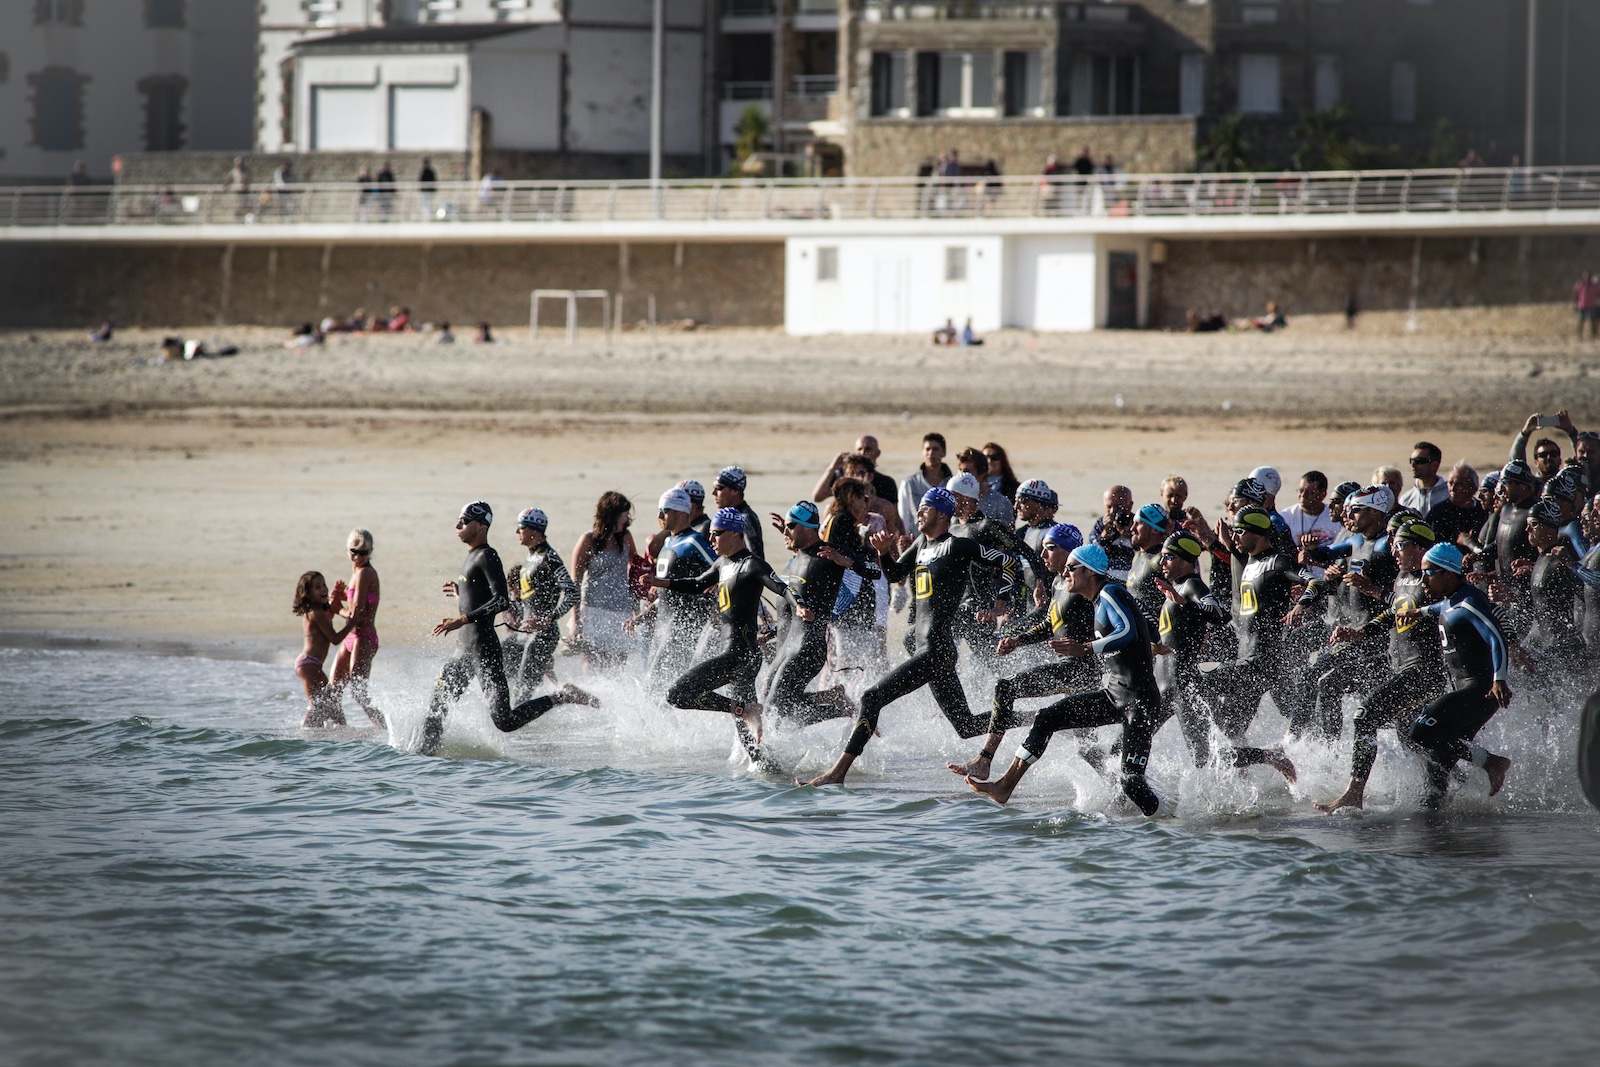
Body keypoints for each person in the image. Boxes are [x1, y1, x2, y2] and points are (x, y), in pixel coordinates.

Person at [800, 488, 1014, 787]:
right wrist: (883, 552)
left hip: (937, 649)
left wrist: (1000, 602)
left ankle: (837, 773)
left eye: (925, 508)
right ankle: (1037, 717)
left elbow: (1008, 562)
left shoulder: (959, 546)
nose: (918, 513)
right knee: (966, 725)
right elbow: (896, 573)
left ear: (942, 514)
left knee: (870, 697)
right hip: (929, 649)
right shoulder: (921, 544)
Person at [965, 544, 1166, 816]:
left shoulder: (1110, 592)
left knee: (1131, 782)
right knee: (1047, 717)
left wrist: (1084, 648)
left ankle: (1168, 822)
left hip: (1140, 702)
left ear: (1090, 571)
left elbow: (1127, 631)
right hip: (1113, 694)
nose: (1066, 572)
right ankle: (1004, 786)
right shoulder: (1098, 599)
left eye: (1072, 568)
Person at [421, 502, 597, 755]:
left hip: (485, 649)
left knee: (506, 719)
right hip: (465, 648)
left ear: (481, 526)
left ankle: (561, 698)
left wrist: (462, 619)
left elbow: (501, 600)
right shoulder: (480, 556)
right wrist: (464, 594)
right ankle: (423, 764)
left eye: (464, 521)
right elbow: (499, 599)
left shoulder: (488, 555)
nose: (457, 525)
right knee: (438, 705)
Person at [1315, 519, 1449, 813]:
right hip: (1402, 667)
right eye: (1393, 544)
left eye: (1400, 545)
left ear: (1419, 547)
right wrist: (1359, 633)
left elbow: (1458, 610)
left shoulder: (1434, 579)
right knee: (1413, 737)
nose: (1394, 550)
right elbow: (1393, 611)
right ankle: (1458, 782)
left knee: (1364, 717)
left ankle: (1354, 793)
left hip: (1424, 671)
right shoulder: (1402, 577)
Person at [946, 523, 1095, 782]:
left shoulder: (1088, 584)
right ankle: (1119, 787)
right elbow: (1050, 624)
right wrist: (1017, 640)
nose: (1043, 555)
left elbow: (1121, 603)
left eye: (1050, 548)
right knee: (1086, 746)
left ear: (1071, 551)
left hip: (1081, 672)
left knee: (1006, 687)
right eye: (1043, 548)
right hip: (1070, 671)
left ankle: (983, 760)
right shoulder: (1060, 582)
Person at [647, 507, 786, 761]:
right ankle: (771, 775)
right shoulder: (723, 563)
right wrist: (661, 582)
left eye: (716, 534)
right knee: (751, 747)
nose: (710, 540)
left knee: (676, 695)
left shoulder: (752, 564)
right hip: (738, 656)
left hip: (739, 657)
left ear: (734, 533)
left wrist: (798, 605)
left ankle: (746, 710)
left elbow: (780, 587)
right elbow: (698, 583)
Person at [1394, 544, 1514, 808]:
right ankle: (1443, 838)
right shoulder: (1452, 598)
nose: (1422, 578)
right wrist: (1418, 611)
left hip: (1479, 691)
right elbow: (1441, 608)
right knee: (1434, 784)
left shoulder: (1469, 602)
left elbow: (1496, 639)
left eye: (1428, 572)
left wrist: (1499, 680)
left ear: (1448, 574)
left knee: (1420, 731)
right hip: (1468, 691)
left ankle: (1492, 763)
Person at [1190, 506, 1299, 783]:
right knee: (1229, 735)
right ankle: (1267, 760)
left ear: (1258, 532)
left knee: (1193, 685)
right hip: (1246, 661)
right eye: (1234, 530)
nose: (1235, 535)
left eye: (1240, 530)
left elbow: (1311, 583)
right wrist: (1214, 541)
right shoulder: (1248, 562)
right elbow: (1233, 556)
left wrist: (1303, 603)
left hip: (1260, 663)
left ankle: (1260, 762)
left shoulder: (1277, 562)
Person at [762, 500, 860, 726]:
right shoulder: (795, 563)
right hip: (785, 645)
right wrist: (773, 630)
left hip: (807, 646)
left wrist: (828, 616)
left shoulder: (827, 555)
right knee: (777, 704)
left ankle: (842, 709)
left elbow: (865, 575)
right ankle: (831, 698)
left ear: (806, 528)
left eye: (790, 526)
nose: (784, 531)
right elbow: (793, 608)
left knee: (775, 710)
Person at [634, 487, 717, 684]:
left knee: (656, 684)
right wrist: (643, 616)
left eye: (664, 510)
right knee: (653, 683)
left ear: (680, 512)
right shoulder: (668, 542)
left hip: (685, 626)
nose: (659, 515)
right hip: (663, 624)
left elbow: (723, 569)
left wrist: (720, 600)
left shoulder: (694, 541)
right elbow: (667, 591)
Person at [502, 508, 580, 703]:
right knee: (495, 666)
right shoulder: (531, 556)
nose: (516, 532)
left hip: (542, 636)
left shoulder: (549, 558)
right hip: (522, 633)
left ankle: (568, 695)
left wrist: (549, 618)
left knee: (521, 696)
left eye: (520, 527)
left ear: (535, 531)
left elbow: (572, 593)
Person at [571, 491, 638, 671]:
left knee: (618, 668)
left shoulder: (626, 537)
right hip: (593, 611)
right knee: (592, 666)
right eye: (625, 514)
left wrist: (638, 606)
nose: (627, 518)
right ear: (612, 514)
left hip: (621, 611)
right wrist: (575, 619)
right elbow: (575, 582)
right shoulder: (588, 540)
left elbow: (636, 569)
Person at [329, 528, 385, 728]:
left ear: (371, 552)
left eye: (364, 552)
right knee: (333, 690)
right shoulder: (356, 573)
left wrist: (335, 608)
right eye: (354, 551)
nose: (358, 556)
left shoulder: (365, 573)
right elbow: (356, 602)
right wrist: (340, 597)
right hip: (351, 638)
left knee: (358, 692)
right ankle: (339, 733)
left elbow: (356, 615)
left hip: (365, 637)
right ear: (348, 550)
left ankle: (386, 729)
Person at [292, 571, 353, 728]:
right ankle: (305, 733)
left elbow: (331, 611)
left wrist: (337, 595)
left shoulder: (320, 611)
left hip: (310, 664)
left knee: (331, 703)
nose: (323, 589)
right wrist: (353, 623)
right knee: (319, 705)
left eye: (324, 585)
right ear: (307, 594)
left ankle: (337, 732)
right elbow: (334, 639)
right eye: (317, 587)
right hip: (309, 664)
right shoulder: (316, 613)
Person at [812, 434, 899, 510]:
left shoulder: (886, 482)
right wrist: (832, 468)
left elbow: (895, 518)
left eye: (868, 449)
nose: (863, 452)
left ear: (878, 453)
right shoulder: (844, 479)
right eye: (859, 449)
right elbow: (817, 497)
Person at [898, 432, 952, 536]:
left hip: (945, 540)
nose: (931, 453)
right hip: (917, 541)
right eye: (927, 449)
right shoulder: (909, 484)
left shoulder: (951, 484)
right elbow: (904, 518)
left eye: (935, 449)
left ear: (943, 453)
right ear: (922, 452)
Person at [1429, 462, 1488, 547]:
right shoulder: (1438, 512)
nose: (1452, 488)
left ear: (1473, 487)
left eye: (1458, 484)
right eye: (1450, 483)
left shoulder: (1482, 511)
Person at [712, 466, 763, 560]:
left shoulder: (745, 518)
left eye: (719, 488)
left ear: (735, 491)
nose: (713, 492)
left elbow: (757, 557)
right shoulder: (729, 516)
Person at [955, 447, 1014, 527]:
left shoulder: (1001, 504)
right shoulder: (956, 501)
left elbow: (1007, 538)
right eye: (960, 470)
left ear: (982, 473)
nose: (961, 476)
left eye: (966, 471)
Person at [1090, 484, 1135, 581]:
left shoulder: (1138, 524)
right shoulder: (1101, 525)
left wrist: (1130, 537)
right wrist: (1105, 534)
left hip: (1132, 577)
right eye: (1109, 507)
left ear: (1130, 505)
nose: (1113, 511)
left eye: (1119, 507)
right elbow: (1089, 556)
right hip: (1104, 578)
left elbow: (1146, 554)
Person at [1399, 441, 1448, 518]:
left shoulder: (1450, 496)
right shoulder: (1406, 499)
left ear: (1434, 465)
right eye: (1411, 461)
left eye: (1419, 461)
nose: (1413, 465)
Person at [1575, 271, 1598, 340]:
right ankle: (1580, 336)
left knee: (1593, 321)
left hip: (1592, 305)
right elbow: (1575, 294)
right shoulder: (1580, 285)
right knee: (1581, 321)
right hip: (1582, 305)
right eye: (1585, 276)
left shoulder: (1595, 286)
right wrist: (1574, 303)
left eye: (1588, 276)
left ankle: (1594, 335)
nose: (1587, 278)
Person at [418, 156, 438, 221]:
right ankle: (426, 217)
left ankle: (428, 217)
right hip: (424, 191)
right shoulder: (423, 171)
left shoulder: (430, 172)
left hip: (429, 191)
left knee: (428, 204)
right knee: (424, 204)